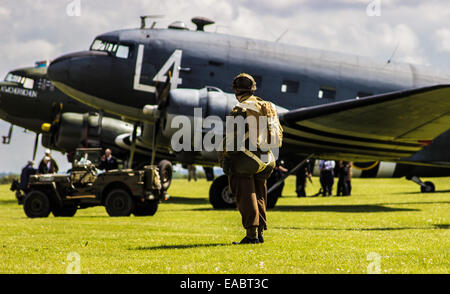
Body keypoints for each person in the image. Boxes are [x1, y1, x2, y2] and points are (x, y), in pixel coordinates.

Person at [219, 73, 283, 245]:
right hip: (268, 159)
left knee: (245, 193)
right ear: (253, 89)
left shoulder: (240, 109)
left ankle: (251, 235)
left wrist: (226, 161)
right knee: (259, 193)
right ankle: (260, 232)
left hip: (249, 161)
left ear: (236, 91)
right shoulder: (266, 105)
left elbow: (232, 142)